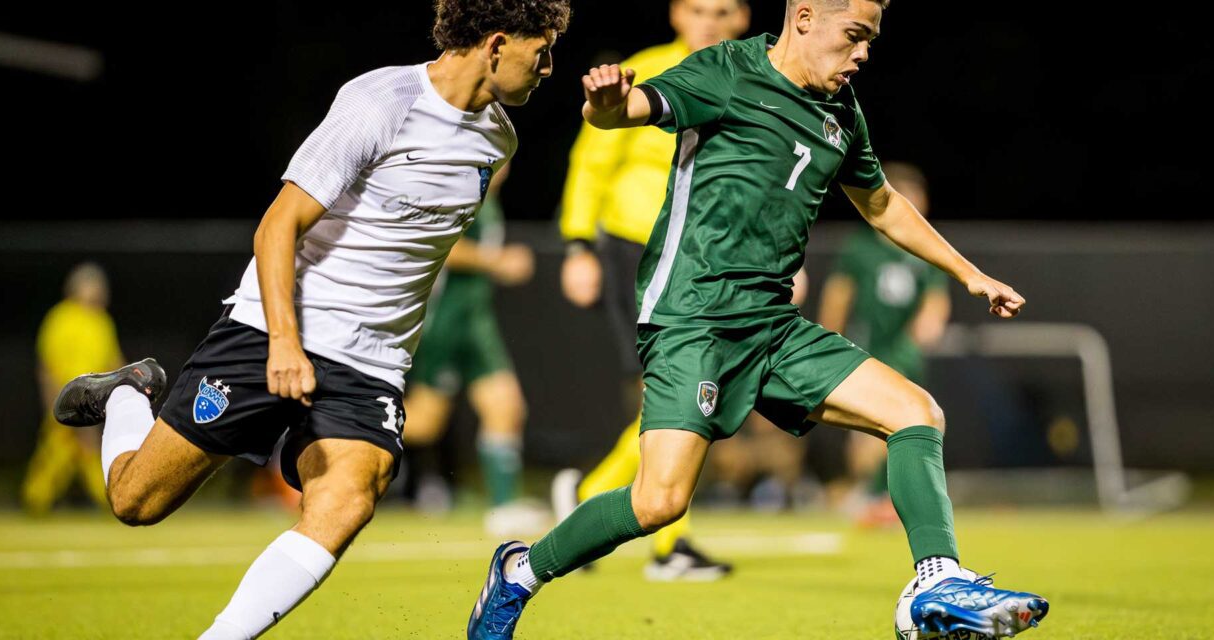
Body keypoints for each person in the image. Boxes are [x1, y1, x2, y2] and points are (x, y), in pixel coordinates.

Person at [467, 1, 1049, 639]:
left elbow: (881, 204)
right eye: (854, 36)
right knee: (659, 501)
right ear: (804, 19)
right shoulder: (725, 70)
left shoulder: (839, 109)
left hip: (773, 324)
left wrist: (969, 274)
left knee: (917, 412)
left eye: (870, 42)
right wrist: (604, 102)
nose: (862, 54)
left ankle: (935, 583)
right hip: (695, 317)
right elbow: (621, 114)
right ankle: (521, 571)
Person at [50, 2, 570, 638]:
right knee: (136, 503)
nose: (549, 68)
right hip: (273, 329)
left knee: (351, 494)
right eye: (540, 51)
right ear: (495, 45)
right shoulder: (381, 101)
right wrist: (285, 345)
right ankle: (131, 394)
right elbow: (277, 227)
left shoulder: (498, 139)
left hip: (371, 363)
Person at [551, 0, 750, 581]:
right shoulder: (646, 71)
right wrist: (578, 245)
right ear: (674, 14)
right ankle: (669, 546)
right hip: (634, 249)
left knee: (698, 392)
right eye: (698, 8)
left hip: (705, 256)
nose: (709, 20)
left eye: (723, 10)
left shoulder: (752, 77)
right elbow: (591, 159)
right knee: (673, 391)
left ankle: (593, 492)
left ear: (741, 18)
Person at [401, 165, 548, 535]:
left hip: (476, 324)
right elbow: (438, 245)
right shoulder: (458, 192)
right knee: (422, 424)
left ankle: (503, 507)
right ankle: (326, 434)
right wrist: (496, 261)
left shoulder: (488, 200)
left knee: (507, 407)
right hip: (447, 323)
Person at [818, 161, 950, 526]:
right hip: (863, 348)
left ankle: (883, 499)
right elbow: (839, 296)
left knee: (901, 421)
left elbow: (936, 300)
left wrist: (928, 324)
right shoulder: (860, 247)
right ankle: (873, 494)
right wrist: (828, 339)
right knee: (866, 437)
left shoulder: (926, 249)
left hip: (903, 351)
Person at [22, 263, 117, 516]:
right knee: (58, 450)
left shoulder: (101, 321)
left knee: (86, 450)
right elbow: (47, 363)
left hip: (92, 397)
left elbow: (112, 361)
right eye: (91, 284)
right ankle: (36, 498)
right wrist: (52, 397)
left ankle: (109, 499)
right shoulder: (60, 318)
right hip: (64, 395)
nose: (97, 290)